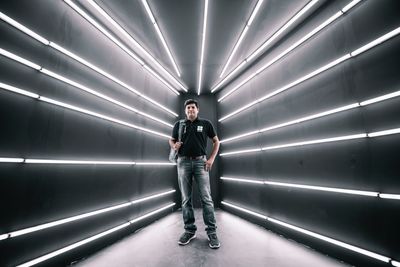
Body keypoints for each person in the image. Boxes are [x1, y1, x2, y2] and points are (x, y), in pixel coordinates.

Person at [169, 99, 221, 249]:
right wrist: (174, 145)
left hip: (200, 163)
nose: (191, 110)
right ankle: (189, 231)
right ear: (185, 111)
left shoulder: (205, 124)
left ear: (197, 110)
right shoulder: (179, 125)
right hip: (183, 163)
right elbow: (171, 140)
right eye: (188, 108)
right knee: (186, 199)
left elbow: (216, 142)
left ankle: (212, 233)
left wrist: (210, 159)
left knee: (206, 199)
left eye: (193, 107)